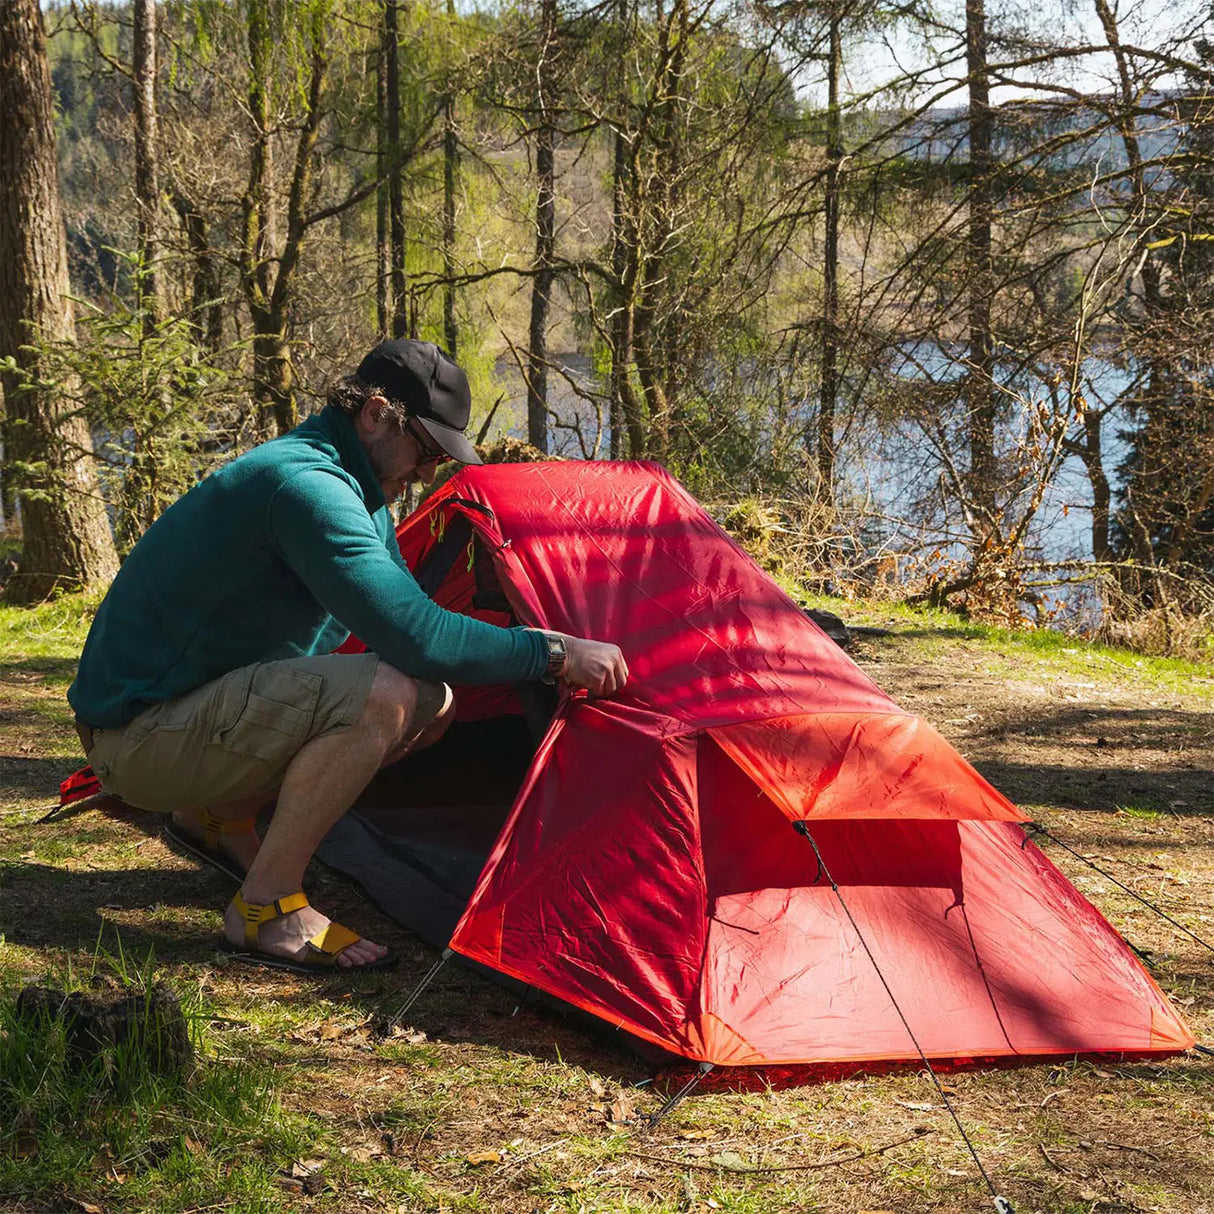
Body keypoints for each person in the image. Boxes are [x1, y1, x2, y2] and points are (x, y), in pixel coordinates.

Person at [68, 339, 628, 973]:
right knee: (384, 694)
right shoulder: (307, 487)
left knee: (432, 699)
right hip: (134, 738)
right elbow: (418, 636)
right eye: (427, 449)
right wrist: (554, 651)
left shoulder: (356, 490)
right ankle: (265, 909)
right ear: (376, 414)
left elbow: (412, 620)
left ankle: (216, 821)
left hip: (179, 717)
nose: (428, 473)